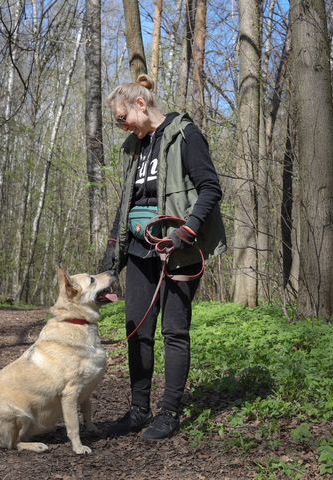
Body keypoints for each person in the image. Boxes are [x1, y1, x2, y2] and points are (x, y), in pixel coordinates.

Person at [101, 74, 226, 440]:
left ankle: (169, 413)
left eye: (122, 118)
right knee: (136, 329)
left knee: (174, 331)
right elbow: (127, 203)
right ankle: (139, 410)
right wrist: (113, 255)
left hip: (179, 250)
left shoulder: (185, 134)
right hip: (140, 250)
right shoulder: (137, 146)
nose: (120, 126)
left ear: (141, 104)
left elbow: (210, 188)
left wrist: (187, 231)